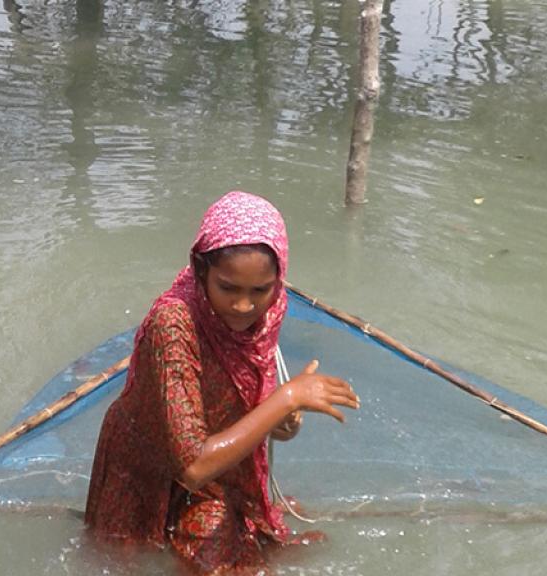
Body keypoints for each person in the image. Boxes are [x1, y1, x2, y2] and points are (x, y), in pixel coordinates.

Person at [84, 191, 359, 574]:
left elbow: (249, 406)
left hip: (221, 460)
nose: (244, 306)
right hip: (151, 464)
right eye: (228, 288)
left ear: (278, 281)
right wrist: (288, 397)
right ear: (200, 271)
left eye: (259, 290)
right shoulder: (174, 325)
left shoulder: (271, 308)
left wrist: (284, 418)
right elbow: (193, 467)